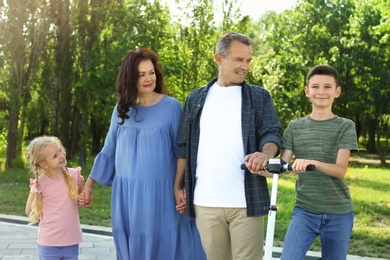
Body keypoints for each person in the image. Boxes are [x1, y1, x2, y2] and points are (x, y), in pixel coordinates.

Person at [78, 48, 205, 260]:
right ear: (130, 78)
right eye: (141, 74)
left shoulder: (171, 107)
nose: (149, 78)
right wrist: (89, 185)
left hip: (162, 194)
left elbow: (182, 152)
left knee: (166, 245)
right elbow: (108, 152)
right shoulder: (121, 110)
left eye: (151, 72)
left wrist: (182, 187)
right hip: (127, 195)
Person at [174, 32, 282, 260]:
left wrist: (265, 154)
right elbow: (183, 145)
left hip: (246, 202)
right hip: (205, 201)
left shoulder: (259, 97)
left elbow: (272, 133)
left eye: (248, 61)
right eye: (239, 60)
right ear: (219, 59)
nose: (245, 66)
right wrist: (178, 185)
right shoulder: (196, 99)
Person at [279, 64, 358, 260]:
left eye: (327, 87)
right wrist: (259, 166)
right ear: (307, 91)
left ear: (337, 91)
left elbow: (340, 170)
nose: (321, 92)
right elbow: (281, 167)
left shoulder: (346, 126)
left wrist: (312, 162)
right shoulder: (295, 127)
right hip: (305, 211)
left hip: (338, 213)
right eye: (315, 87)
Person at [25, 136, 84, 260]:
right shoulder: (39, 183)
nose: (61, 155)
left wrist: (85, 199)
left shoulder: (74, 175)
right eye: (55, 156)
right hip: (49, 243)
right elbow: (29, 210)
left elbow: (83, 198)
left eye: (61, 150)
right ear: (44, 164)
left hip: (71, 241)